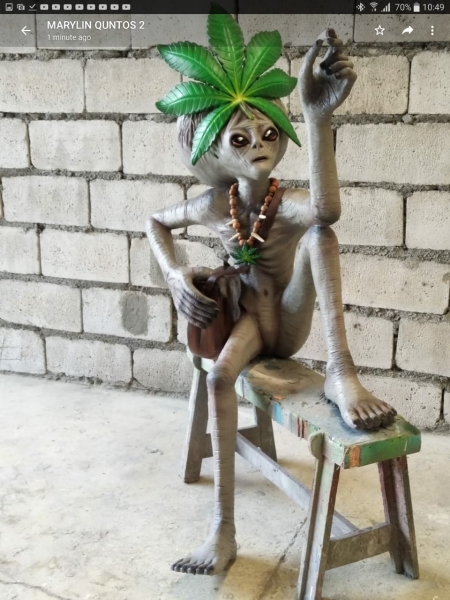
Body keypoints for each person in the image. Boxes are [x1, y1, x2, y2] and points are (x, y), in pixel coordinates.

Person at [147, 17, 396, 576]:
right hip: (249, 324)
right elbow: (154, 222)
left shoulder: (286, 203)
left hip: (289, 317)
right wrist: (175, 274)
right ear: (214, 148)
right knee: (219, 377)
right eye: (240, 139)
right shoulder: (214, 205)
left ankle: (341, 372)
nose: (259, 145)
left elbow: (327, 211)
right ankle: (223, 528)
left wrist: (317, 116)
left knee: (321, 236)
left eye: (268, 133)